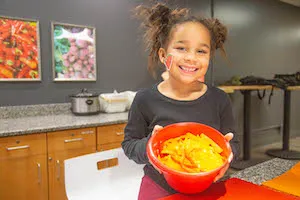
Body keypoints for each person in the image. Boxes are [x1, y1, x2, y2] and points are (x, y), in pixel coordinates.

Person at [122, 3, 239, 200]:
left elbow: (232, 143)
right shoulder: (145, 99)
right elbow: (130, 145)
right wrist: (150, 147)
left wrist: (228, 155)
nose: (191, 58)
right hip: (158, 189)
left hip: (208, 186)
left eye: (201, 51)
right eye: (181, 48)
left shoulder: (219, 99)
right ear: (163, 55)